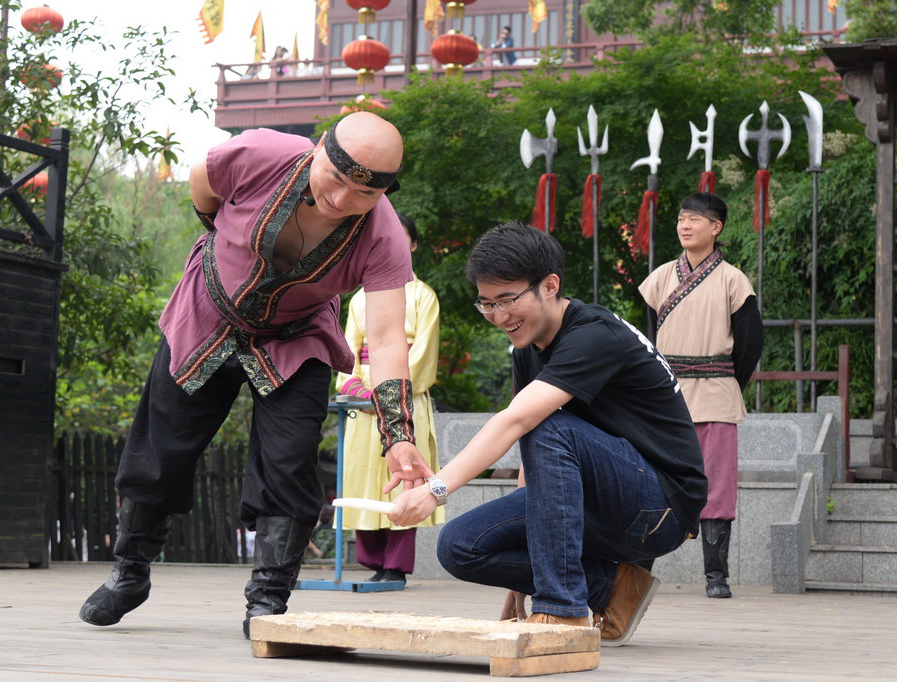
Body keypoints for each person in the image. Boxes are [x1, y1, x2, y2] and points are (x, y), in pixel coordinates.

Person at [78, 112, 435, 638]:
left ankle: (267, 600)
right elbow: (203, 186)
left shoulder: (384, 237)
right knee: (161, 450)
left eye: (362, 194)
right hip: (208, 311)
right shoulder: (260, 154)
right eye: (335, 180)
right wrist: (222, 240)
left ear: (383, 191)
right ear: (318, 149)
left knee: (289, 463)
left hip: (298, 335)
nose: (341, 200)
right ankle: (129, 573)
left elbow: (383, 340)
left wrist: (398, 437)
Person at [387, 222, 706, 646]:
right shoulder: (529, 348)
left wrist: (434, 491)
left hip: (658, 507)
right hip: (594, 500)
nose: (499, 317)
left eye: (508, 300)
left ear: (550, 285)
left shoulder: (594, 335)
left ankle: (563, 610)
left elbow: (518, 422)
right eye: (487, 304)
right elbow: (534, 461)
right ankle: (611, 588)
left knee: (547, 423)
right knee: (461, 545)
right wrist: (527, 577)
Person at [639, 192, 763, 599]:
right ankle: (638, 568)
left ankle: (716, 575)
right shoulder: (658, 278)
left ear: (716, 228)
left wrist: (724, 381)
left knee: (717, 485)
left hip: (716, 395)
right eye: (681, 218)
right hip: (666, 398)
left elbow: (750, 344)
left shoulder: (733, 279)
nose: (685, 225)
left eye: (695, 219)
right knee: (654, 480)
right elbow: (645, 343)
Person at [336, 213, 444, 584]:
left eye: (402, 238)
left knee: (404, 476)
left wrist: (386, 395)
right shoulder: (357, 300)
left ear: (412, 245)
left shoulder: (424, 296)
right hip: (363, 404)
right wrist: (357, 389)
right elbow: (347, 353)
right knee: (363, 477)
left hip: (403, 397)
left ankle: (395, 566)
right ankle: (371, 561)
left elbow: (423, 356)